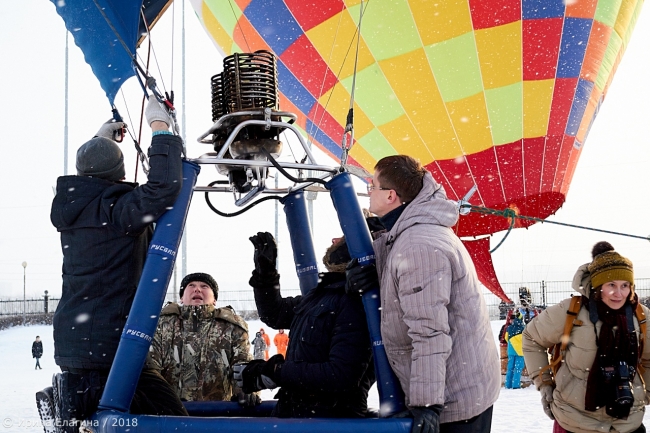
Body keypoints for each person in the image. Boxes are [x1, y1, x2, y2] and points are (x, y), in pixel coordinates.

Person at [48, 98, 188, 430]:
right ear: (120, 173)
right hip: (110, 351)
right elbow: (164, 186)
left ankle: (73, 405)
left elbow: (92, 178)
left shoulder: (73, 209)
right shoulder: (117, 213)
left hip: (77, 344)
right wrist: (161, 129)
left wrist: (101, 142)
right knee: (176, 424)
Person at [346, 155, 500, 432]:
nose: (368, 190)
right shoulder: (411, 234)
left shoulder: (419, 246)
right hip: (452, 384)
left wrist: (427, 405)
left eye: (373, 185)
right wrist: (375, 273)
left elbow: (429, 331)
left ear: (391, 195)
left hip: (453, 398)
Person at [234, 228, 378, 418]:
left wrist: (274, 372)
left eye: (342, 237)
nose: (334, 239)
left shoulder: (355, 301)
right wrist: (265, 275)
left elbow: (340, 375)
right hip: (298, 412)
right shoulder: (325, 294)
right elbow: (275, 314)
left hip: (328, 419)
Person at [523, 245, 650, 433]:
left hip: (627, 422)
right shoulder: (571, 311)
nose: (619, 293)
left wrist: (644, 392)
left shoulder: (641, 316)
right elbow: (532, 338)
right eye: (611, 285)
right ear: (598, 286)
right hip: (574, 421)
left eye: (625, 285)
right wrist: (545, 383)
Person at [150, 272, 259, 406]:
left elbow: (242, 364)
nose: (197, 289)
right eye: (191, 285)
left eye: (204, 286)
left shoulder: (231, 327)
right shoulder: (161, 325)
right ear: (181, 298)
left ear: (214, 299)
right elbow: (151, 367)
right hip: (169, 413)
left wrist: (246, 390)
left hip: (217, 414)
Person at [504, 312, 525, 390]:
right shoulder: (524, 328)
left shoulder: (509, 328)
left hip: (511, 350)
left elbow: (506, 338)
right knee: (518, 368)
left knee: (510, 368)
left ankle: (508, 384)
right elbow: (525, 339)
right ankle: (516, 385)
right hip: (520, 351)